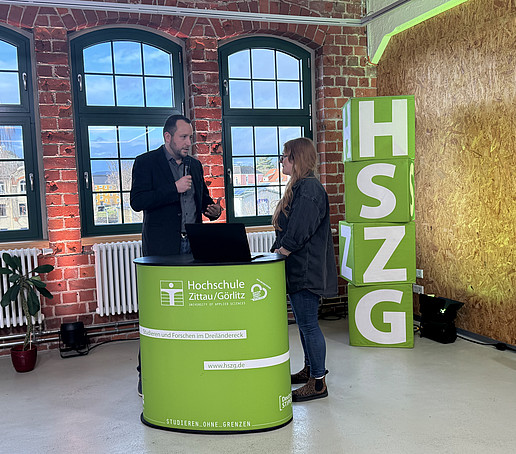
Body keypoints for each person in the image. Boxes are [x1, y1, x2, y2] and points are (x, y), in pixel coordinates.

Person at [130, 114, 222, 395]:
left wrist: (212, 209)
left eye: (191, 137)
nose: (188, 142)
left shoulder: (195, 165)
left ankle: (188, 366)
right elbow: (137, 202)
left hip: (193, 245)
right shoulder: (146, 162)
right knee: (157, 312)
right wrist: (173, 189)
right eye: (183, 137)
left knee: (192, 310)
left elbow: (202, 198)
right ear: (167, 137)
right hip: (161, 249)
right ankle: (147, 374)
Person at [271, 137, 338, 402]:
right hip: (299, 267)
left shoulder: (309, 189)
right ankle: (310, 370)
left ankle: (318, 382)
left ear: (297, 159)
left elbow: (299, 229)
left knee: (309, 325)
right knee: (303, 324)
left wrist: (282, 252)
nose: (282, 160)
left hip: (306, 269)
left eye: (285, 156)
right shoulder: (300, 186)